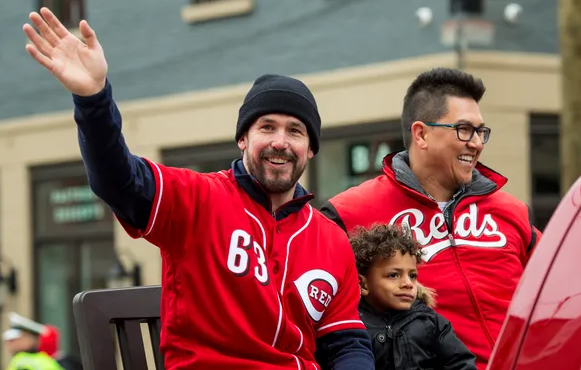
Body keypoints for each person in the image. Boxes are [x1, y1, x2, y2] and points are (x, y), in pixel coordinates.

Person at [23, 8, 374, 370]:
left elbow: (346, 344)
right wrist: (94, 100)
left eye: (295, 131)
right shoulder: (197, 197)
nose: (280, 142)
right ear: (243, 138)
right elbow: (118, 180)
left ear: (311, 148)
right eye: (266, 127)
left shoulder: (331, 240)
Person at [321, 68, 541, 369]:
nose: (476, 143)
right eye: (464, 130)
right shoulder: (347, 214)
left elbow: (562, 292)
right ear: (421, 134)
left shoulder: (512, 211)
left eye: (480, 131)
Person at [350, 224, 477, 370]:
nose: (408, 284)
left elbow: (462, 363)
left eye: (412, 276)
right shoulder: (352, 324)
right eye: (393, 275)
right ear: (363, 284)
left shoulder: (430, 321)